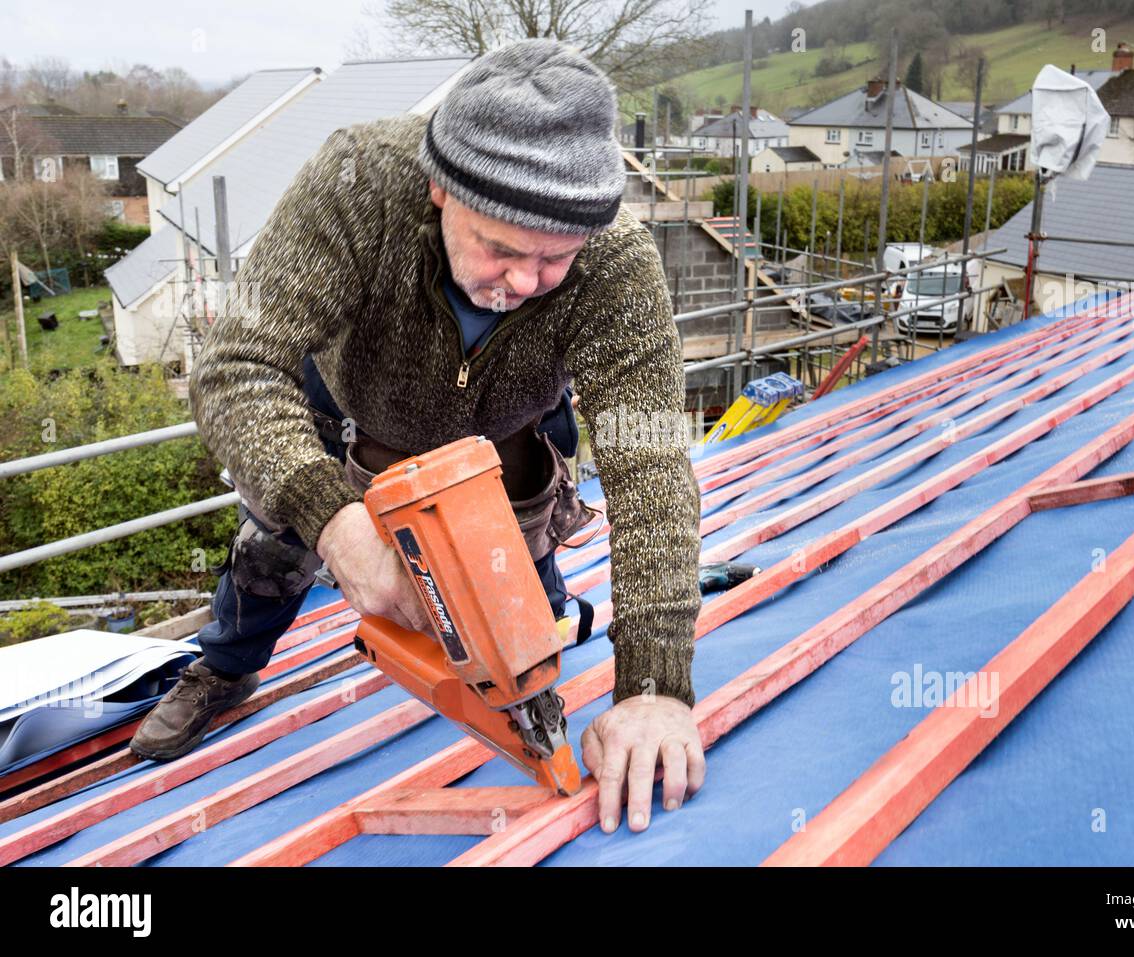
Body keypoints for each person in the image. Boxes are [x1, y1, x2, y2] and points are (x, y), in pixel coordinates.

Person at [130, 39, 705, 834]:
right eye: (501, 248)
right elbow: (234, 366)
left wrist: (655, 685)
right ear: (440, 189)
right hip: (352, 412)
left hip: (503, 437)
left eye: (554, 259)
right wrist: (334, 519)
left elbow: (652, 466)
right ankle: (224, 668)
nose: (525, 284)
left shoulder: (616, 263)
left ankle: (533, 686)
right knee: (271, 553)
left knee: (521, 622)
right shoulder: (358, 183)